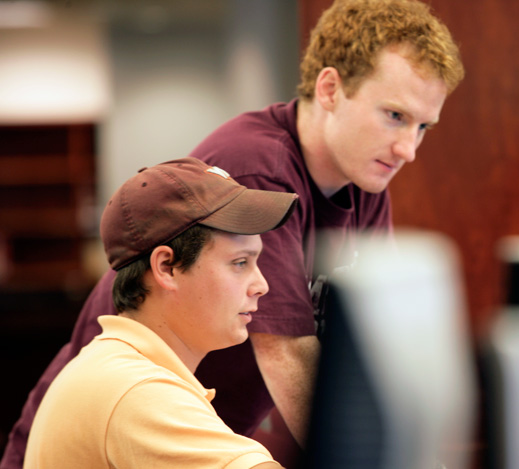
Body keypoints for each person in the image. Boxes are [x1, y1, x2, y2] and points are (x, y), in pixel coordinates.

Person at [1, 1, 464, 468]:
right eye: (394, 116)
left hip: (193, 433)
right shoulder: (257, 168)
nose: (408, 149)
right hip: (126, 428)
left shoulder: (365, 183)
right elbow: (285, 352)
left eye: (423, 126)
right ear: (329, 89)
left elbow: (364, 352)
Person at [23, 157, 299, 468]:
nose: (261, 285)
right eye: (239, 263)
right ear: (166, 267)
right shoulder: (136, 389)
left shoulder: (118, 368)